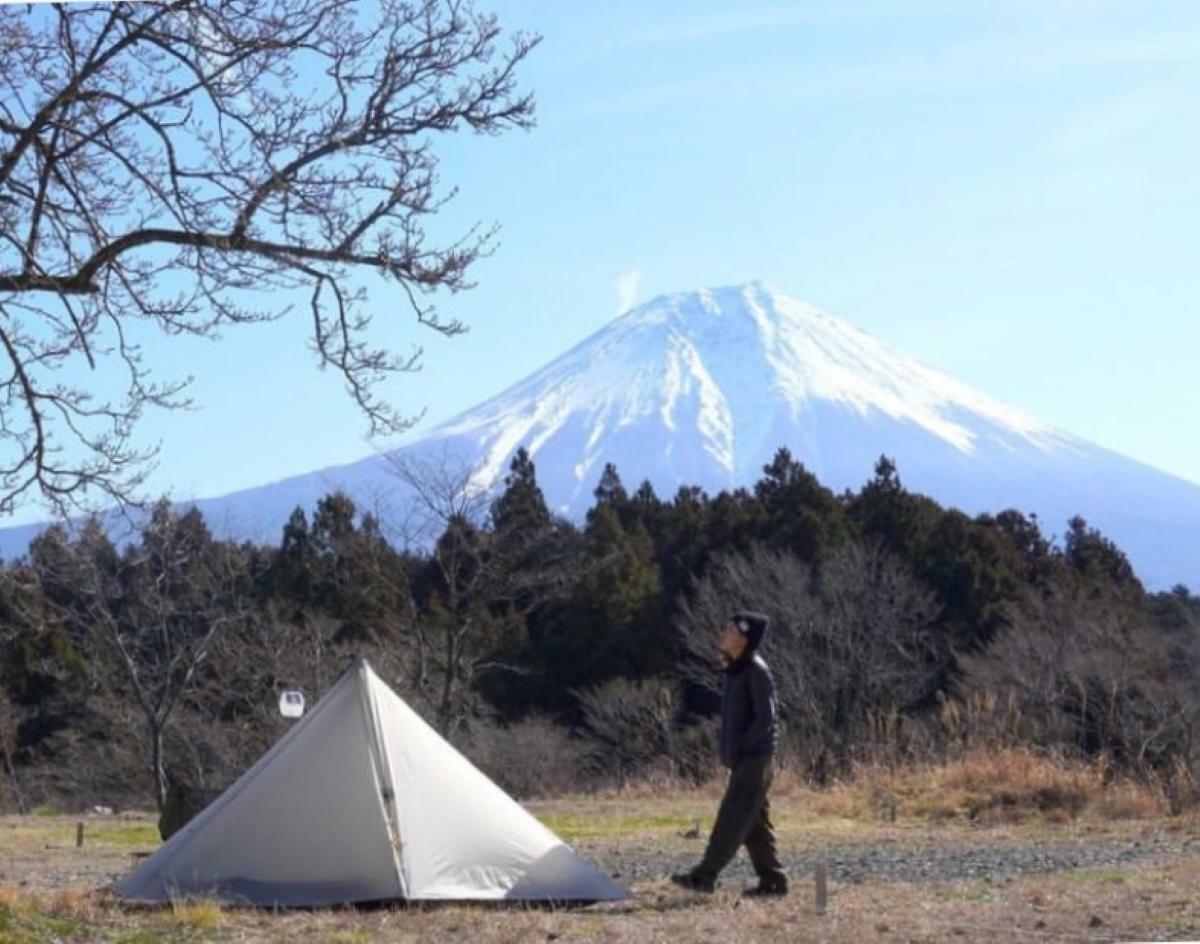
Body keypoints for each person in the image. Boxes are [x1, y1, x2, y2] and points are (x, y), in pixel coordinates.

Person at [671, 610, 787, 897]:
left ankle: (704, 877)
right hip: (745, 760)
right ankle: (773, 881)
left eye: (731, 629)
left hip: (755, 760)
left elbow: (767, 718)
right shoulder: (737, 670)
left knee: (732, 818)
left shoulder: (756, 670)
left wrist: (744, 748)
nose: (723, 633)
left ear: (744, 639)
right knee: (753, 825)